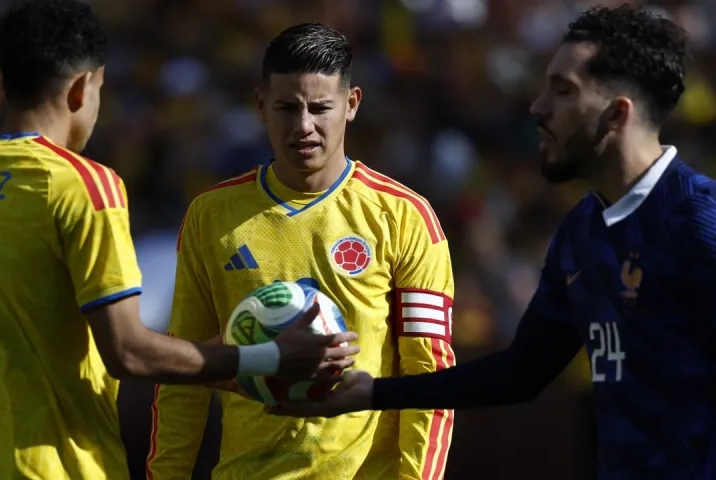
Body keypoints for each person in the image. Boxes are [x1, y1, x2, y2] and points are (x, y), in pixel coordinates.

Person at [272, 5, 713, 480]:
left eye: (563, 90)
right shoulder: (582, 231)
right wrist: (374, 393)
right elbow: (521, 372)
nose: (537, 106)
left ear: (616, 113)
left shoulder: (698, 224)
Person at [0, 2, 358, 479]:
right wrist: (267, 356)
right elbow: (127, 351)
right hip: (58, 464)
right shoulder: (83, 184)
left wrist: (220, 360)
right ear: (81, 87)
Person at [148, 23, 455, 480]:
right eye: (287, 108)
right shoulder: (211, 216)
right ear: (260, 106)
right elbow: (183, 371)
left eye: (320, 108)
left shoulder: (405, 216)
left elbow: (429, 373)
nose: (303, 126)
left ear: (351, 105)